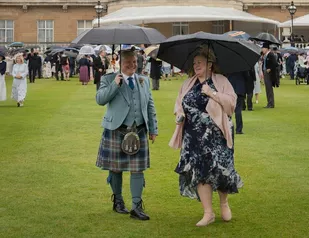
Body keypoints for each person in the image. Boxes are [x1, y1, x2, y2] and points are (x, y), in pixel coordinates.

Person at [169, 46, 242, 227]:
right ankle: (208, 213)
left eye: (200, 62)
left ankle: (224, 203)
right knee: (200, 172)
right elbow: (180, 103)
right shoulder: (188, 83)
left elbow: (231, 105)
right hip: (193, 137)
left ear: (210, 64)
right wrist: (179, 114)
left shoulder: (221, 81)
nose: (196, 66)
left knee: (221, 170)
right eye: (194, 63)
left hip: (217, 137)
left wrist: (212, 93)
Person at [96, 50, 158, 221]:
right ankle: (118, 201)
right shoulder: (108, 79)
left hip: (138, 131)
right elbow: (100, 99)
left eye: (134, 62)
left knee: (138, 169)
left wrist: (153, 129)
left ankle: (136, 207)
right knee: (115, 169)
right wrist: (115, 84)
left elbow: (150, 106)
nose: (132, 65)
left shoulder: (143, 80)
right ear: (119, 64)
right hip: (116, 130)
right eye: (127, 63)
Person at [262, 43, 277, 108]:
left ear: (267, 49)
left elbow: (275, 63)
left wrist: (270, 68)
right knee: (267, 88)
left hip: (269, 73)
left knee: (269, 88)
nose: (262, 50)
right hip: (265, 72)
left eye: (263, 48)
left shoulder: (271, 54)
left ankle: (271, 103)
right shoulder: (265, 55)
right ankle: (269, 102)